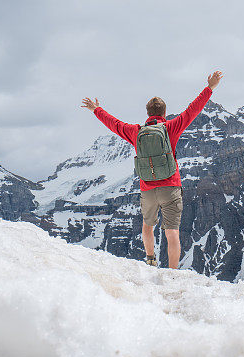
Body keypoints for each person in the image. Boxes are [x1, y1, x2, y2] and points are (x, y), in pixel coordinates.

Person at [81, 71, 223, 269]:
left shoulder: (136, 132)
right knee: (172, 232)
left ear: (147, 113)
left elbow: (115, 125)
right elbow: (193, 110)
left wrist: (97, 110)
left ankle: (150, 259)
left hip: (147, 188)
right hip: (170, 186)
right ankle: (173, 274)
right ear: (164, 113)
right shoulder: (171, 127)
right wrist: (210, 88)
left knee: (147, 226)